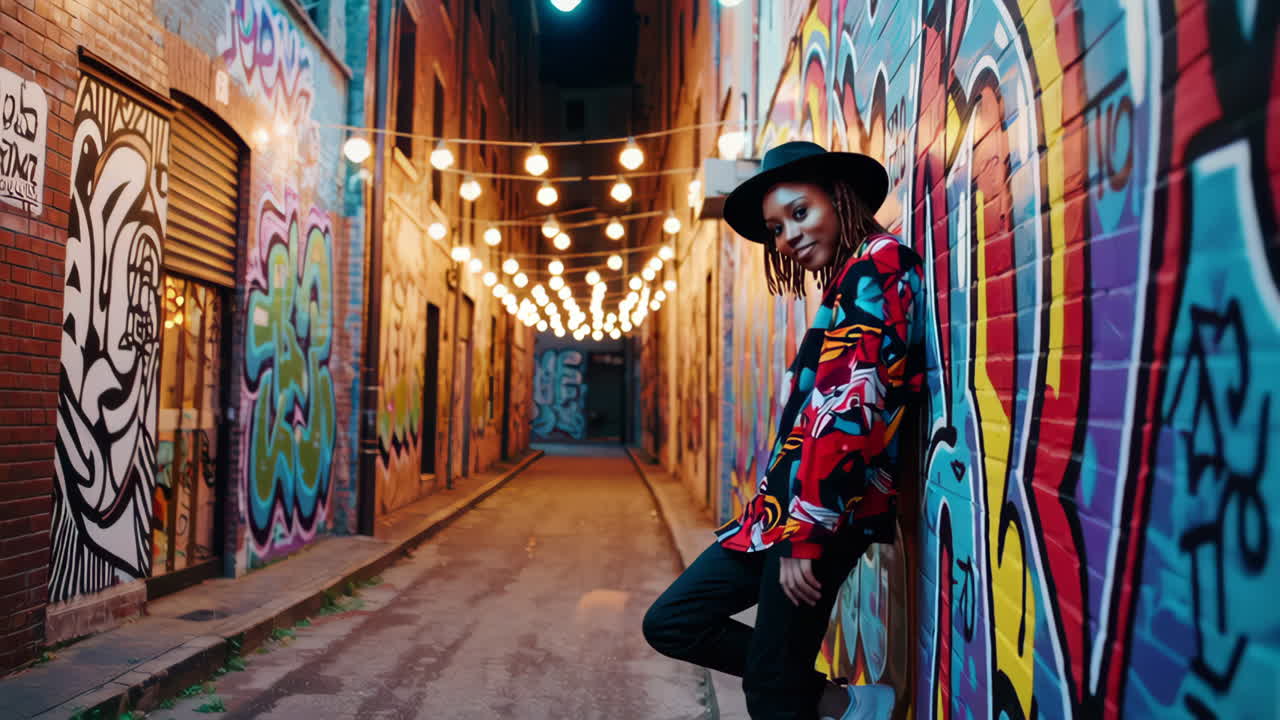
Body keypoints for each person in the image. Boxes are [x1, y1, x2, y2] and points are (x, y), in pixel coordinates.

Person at [642, 141, 925, 720]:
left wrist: (804, 535)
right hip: (783, 512)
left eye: (800, 213)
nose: (788, 237)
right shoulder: (849, 278)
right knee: (674, 622)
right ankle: (836, 700)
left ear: (839, 199)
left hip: (820, 515)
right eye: (776, 227)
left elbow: (851, 412)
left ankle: (827, 698)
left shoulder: (880, 265)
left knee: (770, 693)